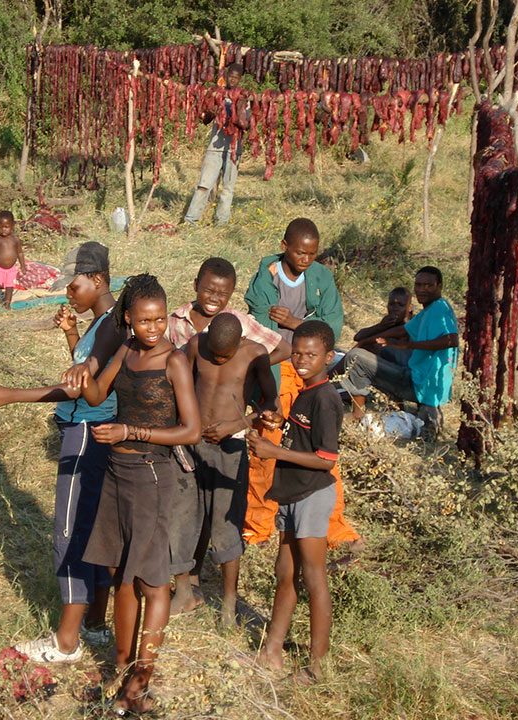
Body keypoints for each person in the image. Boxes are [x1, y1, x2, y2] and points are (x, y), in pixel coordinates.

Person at [0, 241, 123, 662]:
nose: (68, 294)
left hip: (84, 433)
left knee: (68, 532)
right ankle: (95, 625)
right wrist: (72, 337)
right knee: (90, 527)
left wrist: (13, 395)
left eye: (73, 286)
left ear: (97, 281)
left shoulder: (113, 324)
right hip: (88, 429)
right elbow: (90, 369)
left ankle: (66, 641)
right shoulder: (104, 323)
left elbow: (83, 388)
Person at [69, 273, 200, 716]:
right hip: (116, 471)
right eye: (145, 320)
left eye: (160, 319)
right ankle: (123, 670)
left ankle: (141, 680)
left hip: (152, 474)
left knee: (151, 579)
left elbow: (192, 430)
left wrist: (132, 430)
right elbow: (93, 395)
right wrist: (76, 362)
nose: (154, 328)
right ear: (128, 319)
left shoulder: (174, 362)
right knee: (119, 571)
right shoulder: (125, 349)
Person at [243, 218, 360, 550]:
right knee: (266, 446)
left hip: (310, 373)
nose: (305, 259)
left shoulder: (321, 277)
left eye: (312, 253)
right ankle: (257, 524)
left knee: (320, 447)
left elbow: (330, 328)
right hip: (277, 370)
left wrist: (296, 322)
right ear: (285, 246)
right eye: (299, 252)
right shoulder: (265, 279)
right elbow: (264, 335)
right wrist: (270, 394)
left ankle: (333, 525)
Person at [247, 321, 343, 681]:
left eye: (311, 355)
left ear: (329, 357)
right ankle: (272, 651)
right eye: (297, 353)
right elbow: (302, 439)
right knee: (284, 572)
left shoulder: (326, 398)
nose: (301, 360)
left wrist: (273, 451)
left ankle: (317, 666)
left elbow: (326, 459)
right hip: (291, 491)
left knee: (313, 576)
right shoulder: (306, 392)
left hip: (312, 494)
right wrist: (278, 424)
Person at [169, 314, 279, 623]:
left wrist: (235, 425)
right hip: (192, 443)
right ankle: (185, 591)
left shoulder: (255, 354)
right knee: (184, 516)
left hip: (230, 449)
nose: (217, 360)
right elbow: (180, 385)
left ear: (240, 342)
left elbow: (271, 404)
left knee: (226, 524)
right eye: (213, 355)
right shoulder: (195, 345)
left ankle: (229, 604)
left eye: (224, 356)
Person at [334, 266, 458, 432]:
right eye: (419, 285)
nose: (423, 290)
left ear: (440, 286)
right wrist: (372, 339)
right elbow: (403, 330)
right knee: (379, 350)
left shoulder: (439, 310)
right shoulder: (432, 309)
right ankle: (402, 407)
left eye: (428, 285)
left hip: (418, 382)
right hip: (421, 378)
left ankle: (356, 413)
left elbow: (452, 339)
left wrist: (410, 345)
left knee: (356, 356)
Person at [167, 257, 290, 364]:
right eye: (208, 291)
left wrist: (248, 368)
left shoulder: (239, 322)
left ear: (231, 292)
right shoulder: (177, 319)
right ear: (196, 285)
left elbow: (284, 349)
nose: (214, 299)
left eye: (223, 294)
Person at [182, 63, 249, 226]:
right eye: (230, 76)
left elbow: (246, 124)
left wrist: (237, 113)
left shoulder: (245, 99)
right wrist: (211, 112)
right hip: (214, 148)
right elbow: (205, 119)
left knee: (228, 188)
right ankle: (190, 221)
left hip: (234, 149)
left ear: (240, 79)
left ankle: (221, 222)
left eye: (236, 77)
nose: (232, 79)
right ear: (226, 76)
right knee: (203, 185)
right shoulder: (217, 94)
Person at [353, 286, 413, 364]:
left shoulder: (413, 323)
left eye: (400, 305)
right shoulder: (390, 323)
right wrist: (380, 326)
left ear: (410, 308)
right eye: (391, 304)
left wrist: (364, 343)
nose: (395, 308)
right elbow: (358, 337)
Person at [0, 210, 26, 308]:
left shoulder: (15, 240)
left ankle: (7, 304)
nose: (3, 230)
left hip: (11, 269)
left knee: (10, 287)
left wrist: (23, 266)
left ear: (13, 226)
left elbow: (20, 253)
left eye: (6, 227)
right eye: (1, 227)